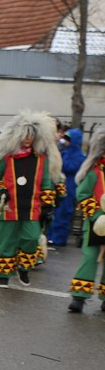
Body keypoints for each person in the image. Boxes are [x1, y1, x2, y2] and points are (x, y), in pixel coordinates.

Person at [0, 111, 59, 287]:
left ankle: (23, 268)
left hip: (32, 206)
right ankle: (3, 275)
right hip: (9, 207)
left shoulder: (41, 159)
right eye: (25, 135)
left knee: (32, 238)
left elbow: (47, 183)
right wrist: (0, 189)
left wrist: (48, 203)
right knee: (7, 241)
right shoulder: (6, 157)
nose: (28, 139)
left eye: (31, 136)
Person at [67, 132, 105, 312]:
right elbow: (83, 195)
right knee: (90, 257)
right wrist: (97, 216)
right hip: (95, 224)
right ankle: (79, 296)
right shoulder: (95, 171)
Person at [47, 128, 85, 246]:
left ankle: (59, 239)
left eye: (68, 139)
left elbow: (70, 167)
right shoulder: (64, 152)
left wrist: (59, 160)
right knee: (54, 213)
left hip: (69, 188)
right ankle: (51, 236)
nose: (65, 141)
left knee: (63, 214)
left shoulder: (79, 155)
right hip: (59, 186)